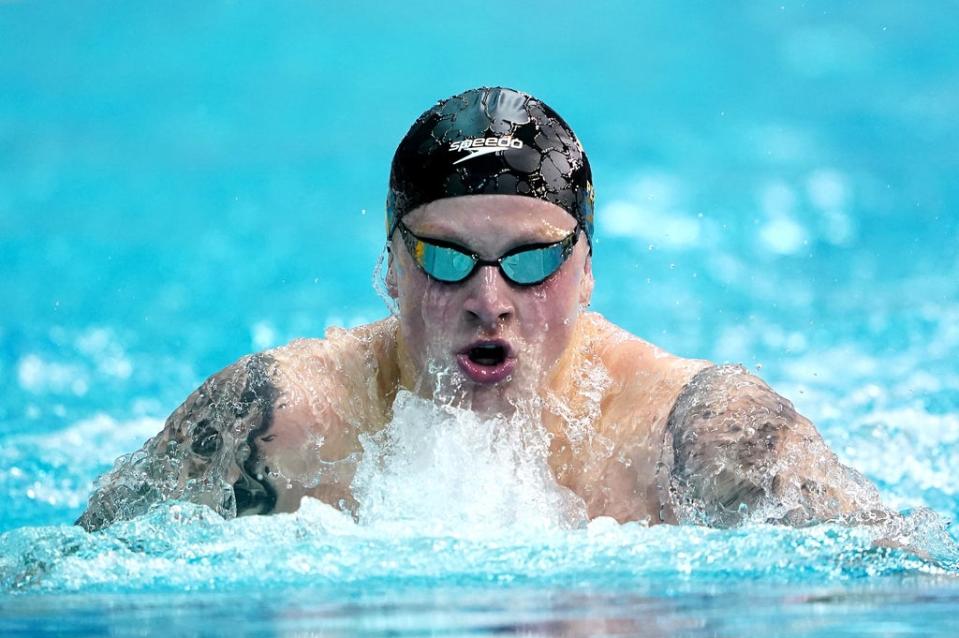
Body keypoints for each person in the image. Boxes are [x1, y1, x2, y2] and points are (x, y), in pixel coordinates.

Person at [76, 87, 885, 532]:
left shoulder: (694, 437)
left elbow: (898, 575)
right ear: (389, 267)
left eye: (532, 260)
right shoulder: (277, 423)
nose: (487, 302)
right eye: (444, 257)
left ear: (588, 270)